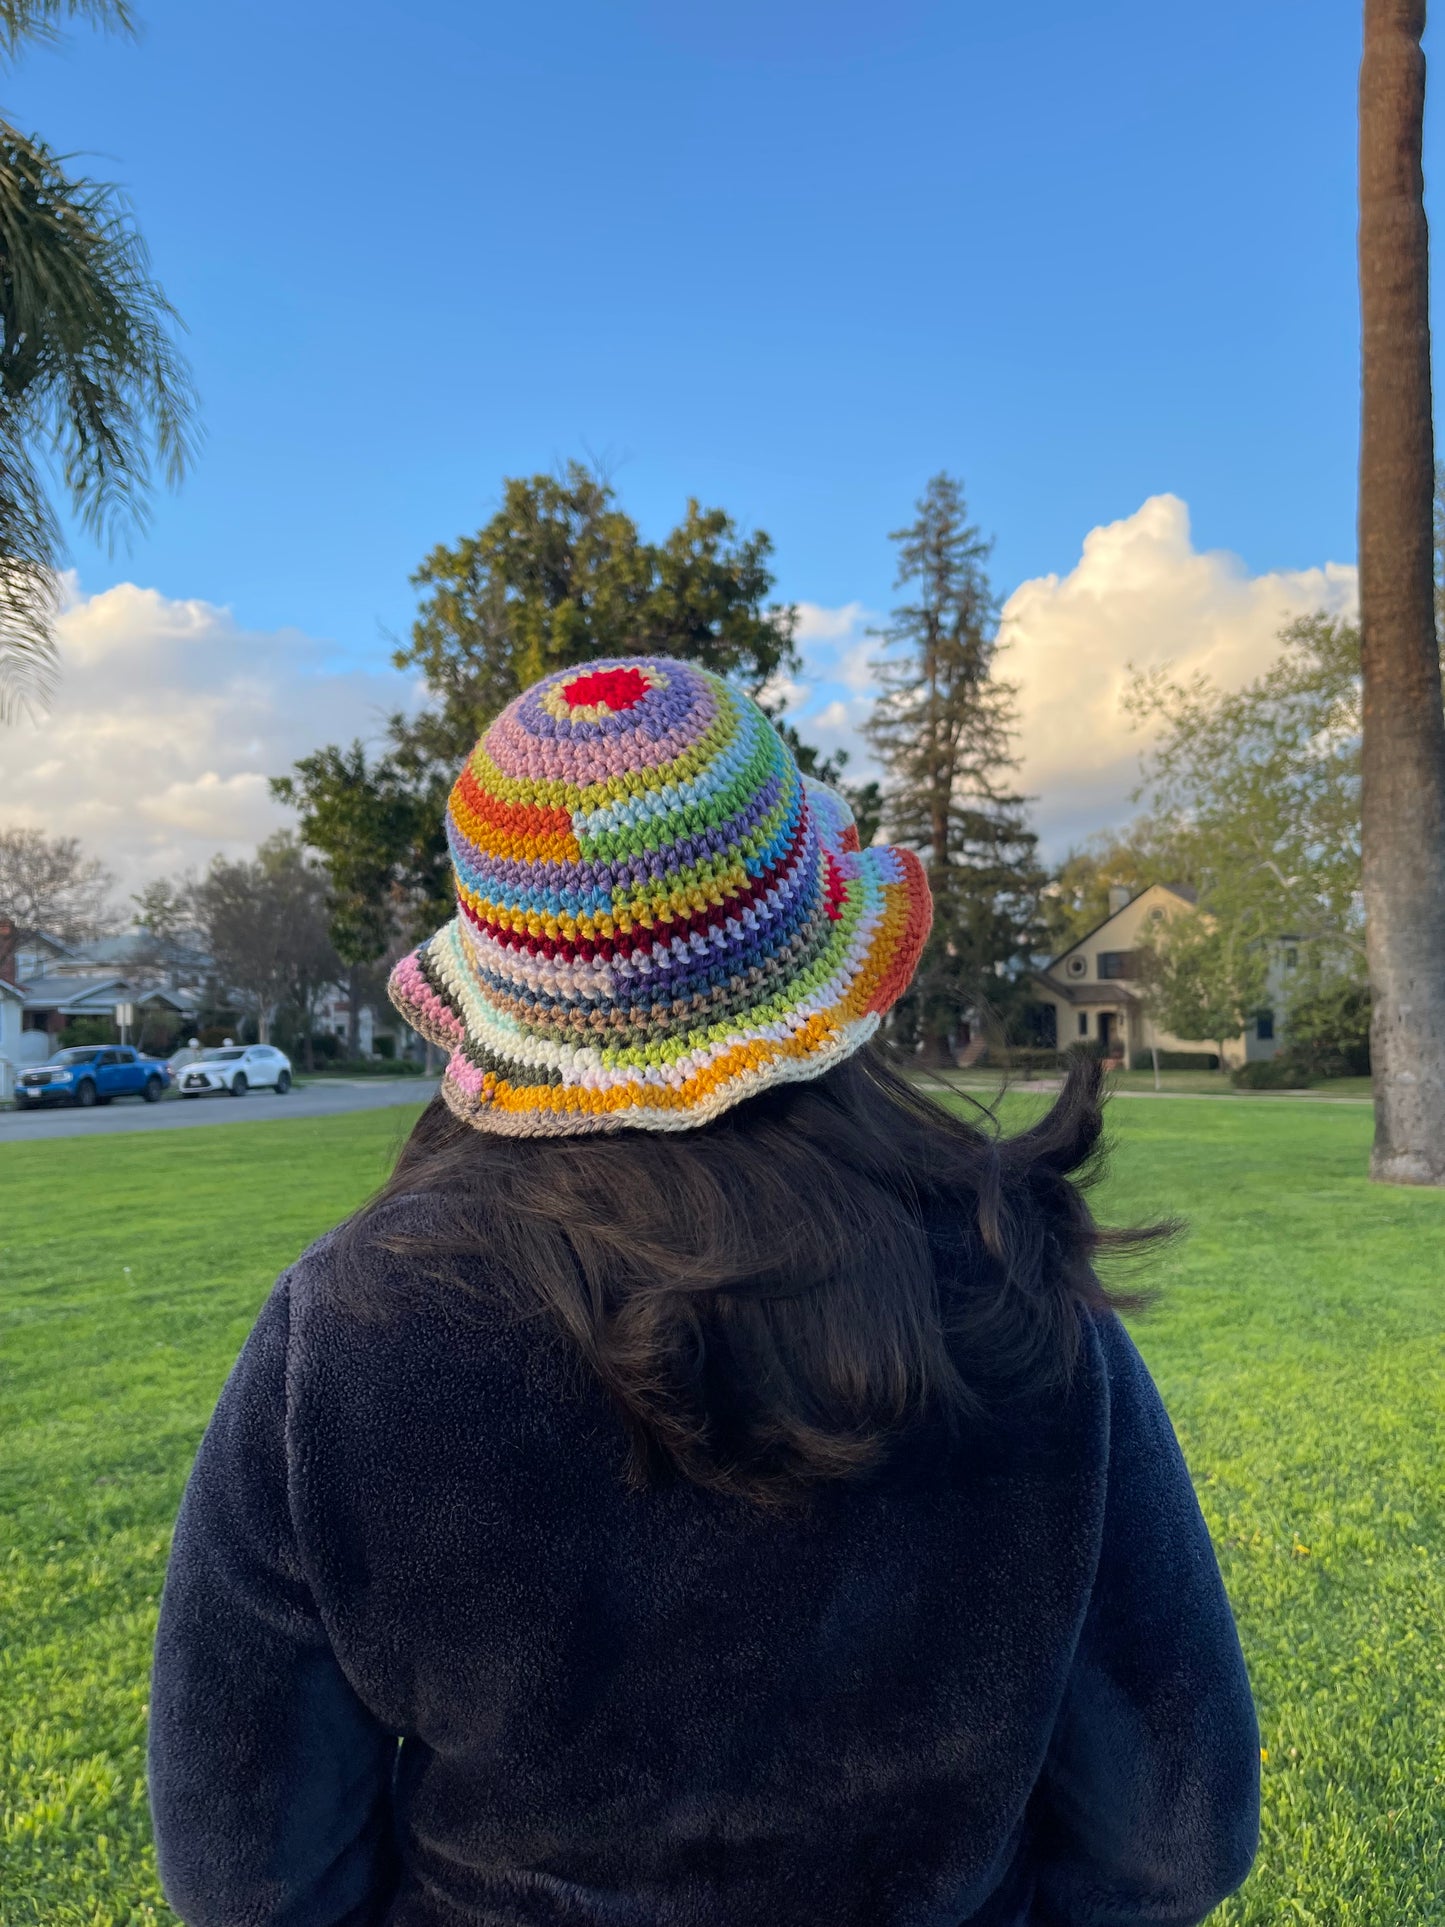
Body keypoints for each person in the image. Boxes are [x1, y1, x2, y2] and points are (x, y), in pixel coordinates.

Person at [148, 657, 1260, 1927]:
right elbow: (1174, 1837)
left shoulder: (345, 1333)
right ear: (819, 957)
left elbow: (246, 1877)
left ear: (496, 994)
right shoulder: (1016, 1290)